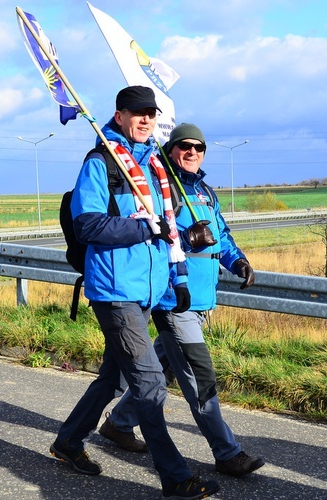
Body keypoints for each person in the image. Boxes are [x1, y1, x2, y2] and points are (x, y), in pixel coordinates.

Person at [50, 88, 221, 500]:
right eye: (138, 113)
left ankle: (68, 442)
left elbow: (167, 235)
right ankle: (175, 476)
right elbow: (88, 226)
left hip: (146, 292)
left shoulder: (152, 168)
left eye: (151, 113)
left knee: (112, 378)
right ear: (120, 115)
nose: (145, 120)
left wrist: (177, 280)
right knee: (149, 385)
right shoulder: (101, 163)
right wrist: (148, 228)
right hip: (113, 292)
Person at [97, 122, 266, 477]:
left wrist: (238, 261)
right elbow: (160, 240)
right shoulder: (162, 190)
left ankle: (119, 423)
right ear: (171, 150)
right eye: (184, 146)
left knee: (164, 368)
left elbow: (221, 234)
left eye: (198, 147)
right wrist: (188, 239)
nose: (192, 152)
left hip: (203, 300)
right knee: (199, 377)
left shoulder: (204, 191)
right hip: (176, 298)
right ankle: (227, 452)